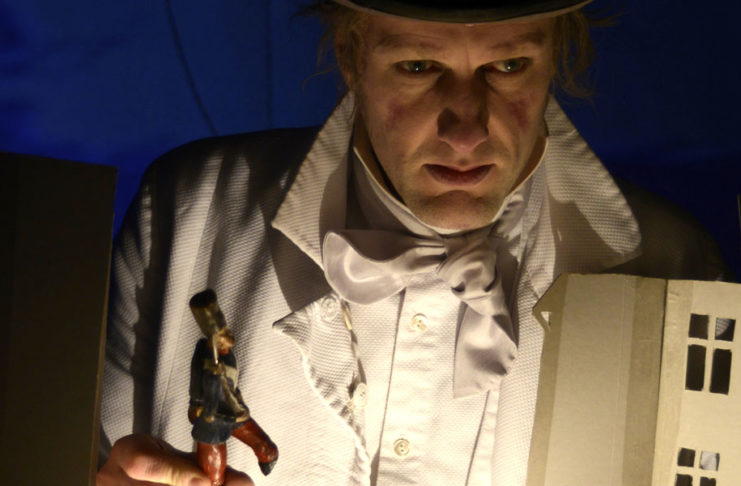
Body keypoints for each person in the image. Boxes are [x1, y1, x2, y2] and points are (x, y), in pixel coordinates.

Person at [96, 0, 727, 485]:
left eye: (508, 66)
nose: (465, 132)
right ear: (351, 54)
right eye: (419, 67)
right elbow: (84, 454)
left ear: (554, 57)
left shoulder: (676, 270)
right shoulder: (186, 212)